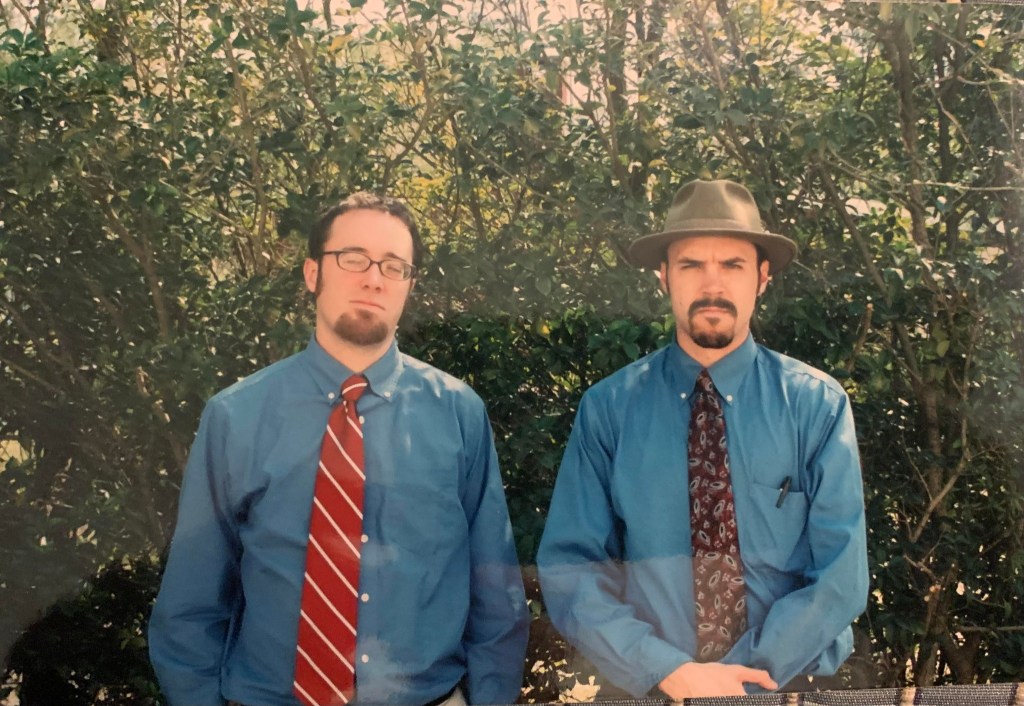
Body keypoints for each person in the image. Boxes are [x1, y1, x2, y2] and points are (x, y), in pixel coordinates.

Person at [149, 193, 529, 706]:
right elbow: (191, 602)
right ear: (312, 273)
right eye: (353, 258)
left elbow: (496, 595)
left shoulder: (458, 414)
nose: (373, 278)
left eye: (394, 266)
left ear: (408, 286)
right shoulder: (234, 417)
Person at [537, 179, 868, 699]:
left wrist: (741, 678)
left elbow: (839, 578)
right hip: (656, 687)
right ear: (664, 276)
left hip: (790, 683)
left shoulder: (816, 406)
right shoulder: (610, 410)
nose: (712, 284)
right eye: (691, 265)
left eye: (733, 265)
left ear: (762, 278)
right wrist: (668, 669)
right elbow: (572, 570)